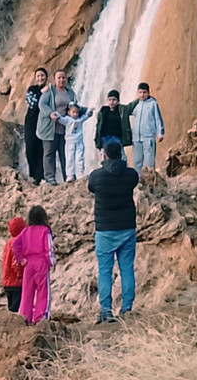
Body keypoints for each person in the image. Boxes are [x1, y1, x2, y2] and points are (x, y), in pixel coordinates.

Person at [88, 141, 140, 323]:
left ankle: (106, 311)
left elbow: (91, 187)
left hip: (104, 230)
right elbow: (134, 178)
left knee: (105, 271)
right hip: (127, 227)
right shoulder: (131, 175)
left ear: (104, 155)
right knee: (127, 269)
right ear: (121, 155)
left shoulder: (96, 177)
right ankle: (127, 309)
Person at [12, 205, 56, 325]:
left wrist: (20, 258)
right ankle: (40, 318)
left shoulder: (25, 231)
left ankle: (24, 317)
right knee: (43, 291)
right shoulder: (45, 230)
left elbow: (15, 244)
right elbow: (49, 247)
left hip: (28, 263)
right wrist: (52, 261)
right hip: (41, 262)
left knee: (27, 292)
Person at [36, 70, 77, 185]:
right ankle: (50, 178)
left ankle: (68, 176)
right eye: (59, 78)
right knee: (49, 153)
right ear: (55, 79)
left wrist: (85, 112)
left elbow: (75, 107)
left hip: (65, 129)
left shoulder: (70, 93)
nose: (61, 80)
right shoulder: (50, 91)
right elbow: (42, 104)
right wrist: (50, 113)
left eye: (63, 77)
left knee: (65, 153)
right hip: (50, 128)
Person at [124, 82, 164, 171]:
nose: (142, 95)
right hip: (136, 138)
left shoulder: (153, 104)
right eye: (140, 92)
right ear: (137, 93)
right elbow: (126, 111)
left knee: (149, 160)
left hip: (148, 137)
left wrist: (160, 133)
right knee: (137, 161)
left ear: (148, 93)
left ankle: (151, 180)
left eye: (144, 92)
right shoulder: (136, 105)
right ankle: (138, 181)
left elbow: (158, 118)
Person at [54, 102, 93, 183]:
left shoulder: (80, 119)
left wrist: (89, 111)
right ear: (69, 112)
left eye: (77, 112)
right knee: (69, 158)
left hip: (79, 142)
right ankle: (70, 175)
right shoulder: (67, 120)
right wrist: (56, 115)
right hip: (69, 142)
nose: (75, 114)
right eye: (73, 112)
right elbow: (60, 118)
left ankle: (80, 173)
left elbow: (86, 116)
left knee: (80, 157)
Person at [93, 89, 132, 166]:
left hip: (116, 138)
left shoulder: (121, 110)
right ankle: (106, 173)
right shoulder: (103, 111)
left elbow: (132, 105)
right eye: (109, 100)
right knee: (105, 157)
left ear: (118, 100)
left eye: (114, 99)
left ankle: (124, 171)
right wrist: (97, 141)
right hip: (105, 138)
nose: (111, 102)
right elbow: (98, 126)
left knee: (121, 156)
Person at [24, 68, 48, 183]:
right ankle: (32, 174)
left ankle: (40, 177)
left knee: (41, 149)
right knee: (30, 148)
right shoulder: (32, 89)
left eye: (42, 76)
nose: (40, 78)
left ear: (46, 77)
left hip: (44, 123)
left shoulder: (49, 90)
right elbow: (32, 103)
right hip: (31, 123)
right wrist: (42, 92)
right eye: (38, 76)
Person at [1, 216, 27, 312]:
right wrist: (20, 276)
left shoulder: (8, 243)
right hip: (16, 282)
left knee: (11, 306)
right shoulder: (19, 243)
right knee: (16, 308)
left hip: (7, 281)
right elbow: (16, 262)